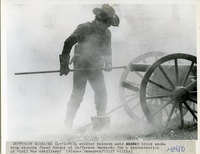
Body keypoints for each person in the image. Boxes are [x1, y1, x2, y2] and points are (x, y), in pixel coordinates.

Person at [59, 4, 120, 128]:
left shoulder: (107, 33)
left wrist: (108, 63)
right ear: (99, 20)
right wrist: (64, 64)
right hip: (81, 66)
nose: (109, 26)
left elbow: (107, 49)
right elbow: (68, 42)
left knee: (101, 94)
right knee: (77, 95)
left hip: (96, 67)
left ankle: (100, 123)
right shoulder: (84, 28)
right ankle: (68, 123)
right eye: (107, 23)